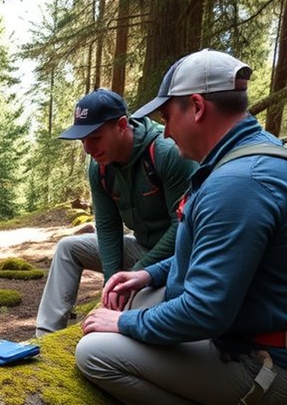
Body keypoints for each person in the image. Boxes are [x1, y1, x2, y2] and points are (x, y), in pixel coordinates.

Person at [75, 49, 287, 405]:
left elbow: (205, 311)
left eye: (168, 115)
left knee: (95, 353)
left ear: (197, 107)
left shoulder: (238, 184)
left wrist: (124, 324)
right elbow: (204, 256)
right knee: (134, 306)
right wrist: (147, 276)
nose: (165, 130)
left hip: (258, 365)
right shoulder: (244, 161)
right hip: (250, 341)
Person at [36, 89, 196, 337]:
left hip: (176, 260)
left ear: (122, 125)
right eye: (83, 140)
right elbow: (108, 226)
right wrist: (112, 282)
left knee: (135, 306)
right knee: (68, 248)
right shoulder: (100, 166)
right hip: (140, 249)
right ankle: (45, 337)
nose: (88, 148)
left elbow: (183, 226)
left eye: (95, 138)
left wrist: (137, 273)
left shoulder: (166, 153)